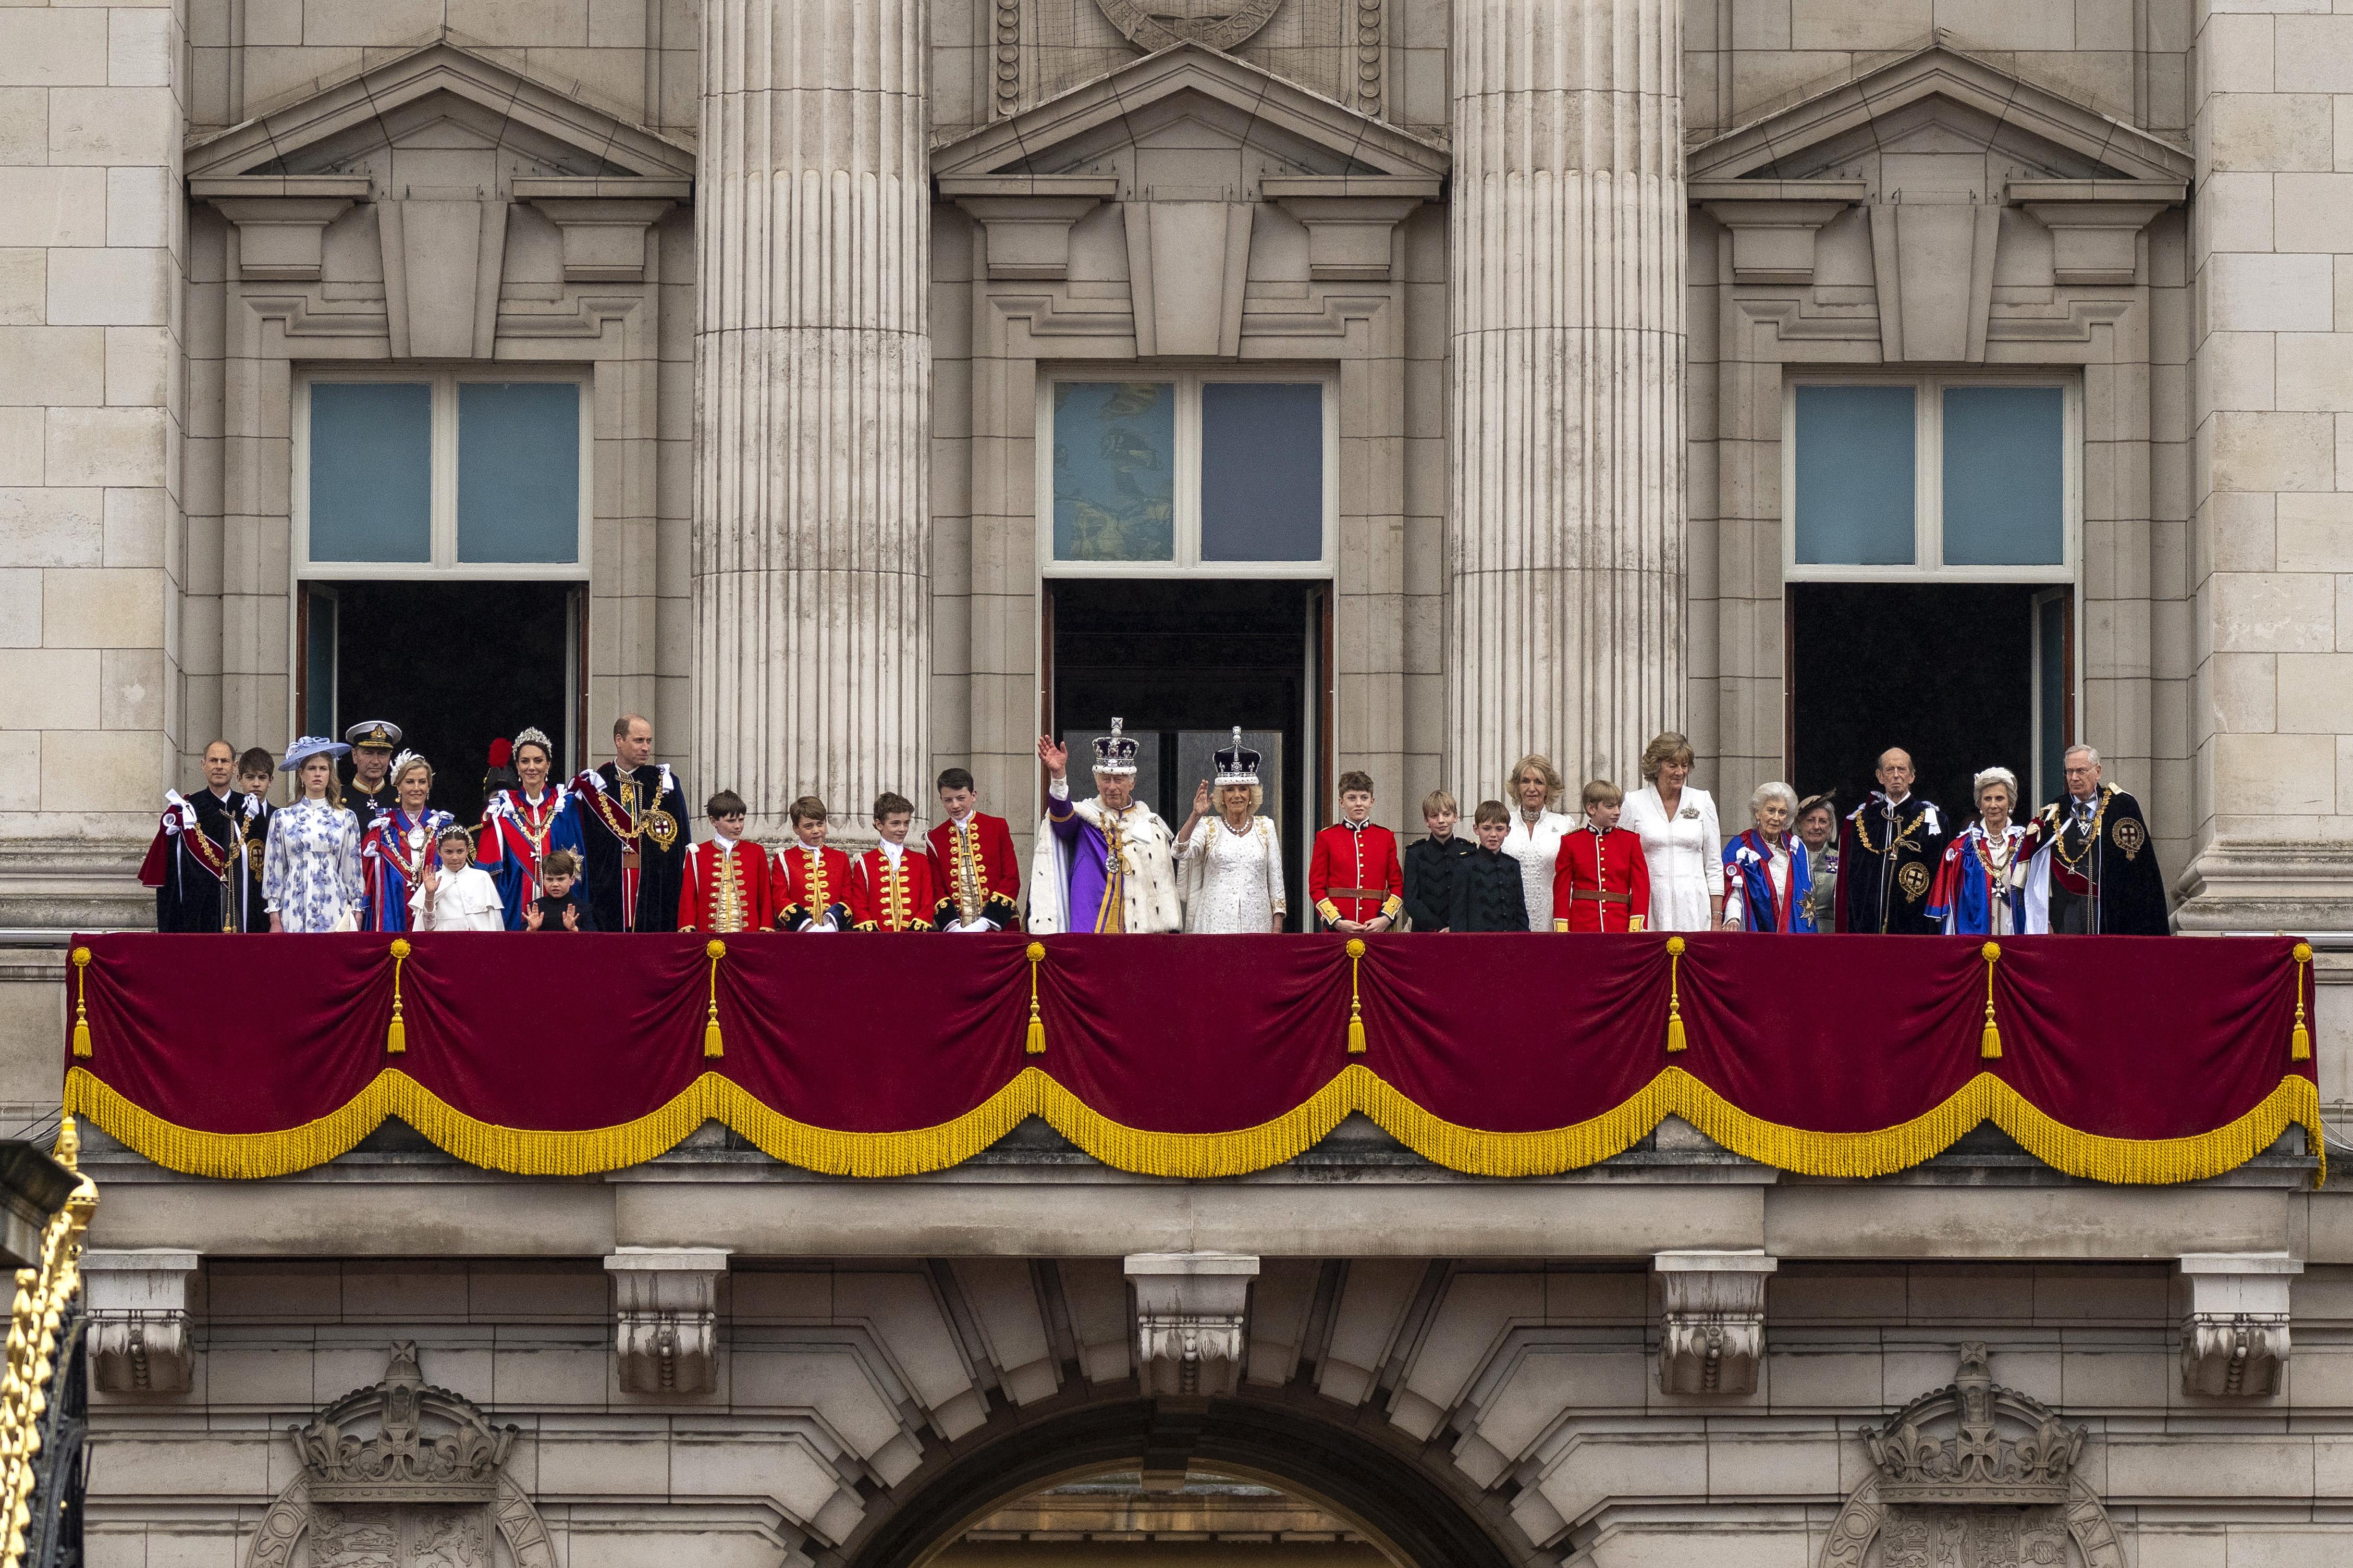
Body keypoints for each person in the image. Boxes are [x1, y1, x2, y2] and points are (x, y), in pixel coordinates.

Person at [1027, 721, 1182, 934]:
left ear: (1132, 783)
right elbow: (1062, 821)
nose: (1112, 787)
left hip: (1138, 931)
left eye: (1118, 780)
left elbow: (1162, 882)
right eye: (1105, 779)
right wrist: (1059, 777)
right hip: (1091, 920)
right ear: (1097, 782)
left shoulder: (1150, 825)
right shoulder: (1086, 818)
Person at [2019, 745, 2170, 934]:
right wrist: (2044, 918)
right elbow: (2040, 872)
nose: (2074, 778)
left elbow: (2140, 869)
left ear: (2097, 772)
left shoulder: (2122, 806)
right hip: (2067, 911)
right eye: (2069, 772)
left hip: (2109, 908)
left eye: (2081, 771)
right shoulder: (2055, 813)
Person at [570, 714, 690, 933]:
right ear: (619, 740)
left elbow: (681, 840)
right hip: (607, 890)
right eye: (639, 741)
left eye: (649, 741)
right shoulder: (596, 785)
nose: (646, 748)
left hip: (655, 891)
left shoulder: (665, 783)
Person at [1175, 730, 1286, 934]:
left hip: (1257, 922)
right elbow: (1180, 851)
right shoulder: (1209, 826)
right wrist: (1195, 815)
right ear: (1222, 796)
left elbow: (1276, 880)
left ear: (1252, 794)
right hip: (1213, 922)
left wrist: (1277, 926)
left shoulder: (1266, 826)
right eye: (1230, 790)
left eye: (1243, 789)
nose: (1237, 795)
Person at [478, 727, 586, 930]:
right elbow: (488, 870)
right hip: (516, 900)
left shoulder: (565, 803)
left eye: (538, 761)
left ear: (548, 765)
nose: (532, 767)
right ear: (517, 767)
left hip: (560, 903)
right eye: (525, 761)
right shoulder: (503, 808)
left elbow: (577, 856)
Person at [1835, 748, 1947, 935]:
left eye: (1902, 770)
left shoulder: (1934, 820)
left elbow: (1940, 879)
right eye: (1890, 770)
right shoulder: (1863, 821)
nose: (1896, 775)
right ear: (1880, 777)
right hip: (1869, 926)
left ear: (1912, 776)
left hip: (1915, 925)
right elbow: (1852, 881)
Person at [1620, 732, 1722, 931]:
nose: (1680, 772)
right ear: (1657, 766)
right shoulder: (1634, 802)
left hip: (1694, 904)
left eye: (1684, 766)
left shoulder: (1702, 800)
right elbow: (1622, 861)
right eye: (1673, 765)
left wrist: (1717, 918)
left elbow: (1714, 863)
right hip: (1648, 904)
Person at [140, 740, 244, 932]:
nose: (219, 766)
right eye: (214, 761)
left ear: (234, 766)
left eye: (225, 761)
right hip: (196, 912)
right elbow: (171, 873)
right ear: (203, 765)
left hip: (240, 906)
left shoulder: (247, 807)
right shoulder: (187, 809)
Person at [262, 736, 364, 933]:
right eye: (312, 768)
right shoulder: (283, 817)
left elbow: (352, 868)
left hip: (334, 902)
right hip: (293, 902)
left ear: (330, 774)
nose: (317, 774)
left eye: (323, 768)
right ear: (301, 774)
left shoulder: (346, 817)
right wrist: (275, 916)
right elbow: (274, 869)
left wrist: (357, 909)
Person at [360, 752, 455, 933]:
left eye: (422, 782)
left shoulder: (444, 828)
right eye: (410, 782)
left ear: (429, 787)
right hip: (392, 918)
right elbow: (366, 883)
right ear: (398, 786)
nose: (417, 788)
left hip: (439, 919)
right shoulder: (380, 833)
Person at [1928, 767, 2029, 936]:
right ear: (1980, 805)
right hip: (1974, 938)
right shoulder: (1962, 847)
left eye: (2000, 798)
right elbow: (1950, 904)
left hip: (2017, 937)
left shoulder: (2026, 845)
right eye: (1987, 799)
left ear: (2010, 803)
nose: (1993, 805)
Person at [1309, 771, 1404, 934]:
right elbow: (1316, 888)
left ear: (1372, 802)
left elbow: (1397, 885)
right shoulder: (1326, 837)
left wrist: (1386, 918)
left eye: (1364, 798)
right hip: (1338, 930)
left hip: (1376, 928)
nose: (1359, 803)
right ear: (1341, 802)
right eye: (1352, 798)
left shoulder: (1386, 837)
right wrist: (1337, 921)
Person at [929, 767, 1021, 932]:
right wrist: (953, 927)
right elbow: (937, 888)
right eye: (948, 800)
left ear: (973, 796)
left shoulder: (997, 827)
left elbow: (1011, 877)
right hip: (957, 931)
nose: (955, 805)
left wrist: (986, 922)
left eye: (961, 798)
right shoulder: (934, 838)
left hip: (1000, 926)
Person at [1552, 780, 1650, 933]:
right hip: (1582, 925)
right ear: (1591, 808)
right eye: (1610, 807)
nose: (1617, 812)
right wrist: (1563, 927)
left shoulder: (1630, 841)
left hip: (1620, 924)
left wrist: (1637, 923)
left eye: (1619, 806)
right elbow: (1561, 890)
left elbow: (1641, 886)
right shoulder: (1571, 842)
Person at [678, 789, 779, 934]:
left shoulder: (756, 852)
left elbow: (765, 895)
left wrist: (766, 927)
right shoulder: (697, 854)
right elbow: (688, 897)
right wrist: (688, 926)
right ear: (713, 821)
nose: (738, 826)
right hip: (709, 936)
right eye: (731, 821)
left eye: (741, 820)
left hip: (750, 936)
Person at [1722, 782, 1813, 933]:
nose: (1776, 818)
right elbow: (1733, 890)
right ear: (1758, 813)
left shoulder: (1797, 849)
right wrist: (1733, 919)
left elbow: (1805, 898)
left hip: (1792, 936)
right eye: (1771, 811)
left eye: (1782, 812)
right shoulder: (1740, 846)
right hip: (1755, 932)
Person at [1500, 754, 1575, 933]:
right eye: (1525, 781)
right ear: (1517, 787)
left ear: (1548, 788)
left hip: (1552, 918)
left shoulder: (1564, 825)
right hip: (1509, 919)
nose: (1531, 788)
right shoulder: (1503, 823)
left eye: (1539, 782)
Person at [850, 792, 939, 933]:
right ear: (879, 824)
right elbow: (859, 905)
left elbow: (927, 902)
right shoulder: (865, 862)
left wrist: (915, 932)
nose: (902, 829)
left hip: (914, 940)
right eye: (895, 823)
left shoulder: (920, 861)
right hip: (877, 941)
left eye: (906, 823)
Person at [1449, 801, 1531, 932]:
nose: (1493, 835)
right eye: (1487, 828)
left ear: (1507, 831)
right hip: (1476, 945)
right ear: (1476, 829)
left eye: (1499, 829)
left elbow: (1520, 911)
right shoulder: (1465, 865)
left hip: (1510, 944)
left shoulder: (1512, 866)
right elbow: (1458, 915)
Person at [776, 796, 854, 932]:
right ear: (796, 829)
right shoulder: (784, 859)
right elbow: (780, 899)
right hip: (796, 937)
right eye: (808, 826)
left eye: (820, 824)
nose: (816, 830)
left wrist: (831, 927)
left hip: (834, 936)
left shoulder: (840, 858)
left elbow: (848, 898)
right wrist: (808, 927)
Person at [410, 823, 506, 933]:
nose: (455, 857)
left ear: (467, 850)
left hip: (478, 945)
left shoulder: (482, 878)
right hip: (444, 944)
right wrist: (429, 895)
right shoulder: (432, 880)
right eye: (449, 852)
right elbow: (427, 927)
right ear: (439, 852)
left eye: (460, 851)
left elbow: (495, 923)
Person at [1402, 791, 1474, 932]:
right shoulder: (1415, 853)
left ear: (1455, 817)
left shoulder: (1469, 851)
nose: (1441, 820)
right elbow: (1411, 901)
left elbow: (1473, 899)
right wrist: (1438, 928)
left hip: (1460, 933)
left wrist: (1455, 927)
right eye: (1434, 816)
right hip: (1425, 933)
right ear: (1427, 821)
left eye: (1446, 814)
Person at [229, 748, 275, 933]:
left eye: (262, 778)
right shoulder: (230, 818)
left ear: (270, 781)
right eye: (250, 777)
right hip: (241, 898)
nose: (256, 784)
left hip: (271, 901)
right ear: (239, 779)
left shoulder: (279, 817)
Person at [342, 720, 401, 839]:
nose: (375, 761)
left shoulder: (400, 797)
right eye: (368, 753)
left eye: (382, 754)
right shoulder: (337, 797)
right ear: (355, 756)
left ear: (390, 756)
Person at [1795, 793, 1840, 934]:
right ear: (1799, 825)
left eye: (1823, 821)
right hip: (1795, 932)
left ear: (1830, 827)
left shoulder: (1841, 859)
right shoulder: (1789, 858)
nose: (1816, 826)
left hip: (1830, 936)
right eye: (1810, 820)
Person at [525, 849, 594, 931]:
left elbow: (595, 940)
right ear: (543, 880)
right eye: (550, 879)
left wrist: (574, 929)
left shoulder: (583, 909)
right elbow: (519, 941)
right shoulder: (534, 909)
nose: (555, 884)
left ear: (572, 880)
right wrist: (531, 929)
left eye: (561, 879)